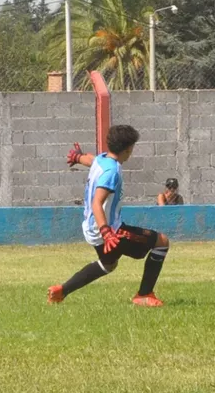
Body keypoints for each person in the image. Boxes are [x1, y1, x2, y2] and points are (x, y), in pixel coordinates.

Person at [49, 127, 171, 306]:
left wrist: (77, 157)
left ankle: (62, 290)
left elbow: (90, 160)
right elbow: (97, 203)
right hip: (109, 231)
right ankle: (144, 295)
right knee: (161, 242)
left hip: (91, 228)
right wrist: (107, 232)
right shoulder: (111, 172)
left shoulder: (103, 159)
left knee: (108, 264)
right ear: (128, 149)